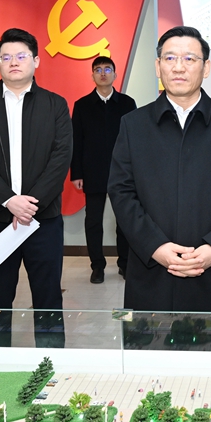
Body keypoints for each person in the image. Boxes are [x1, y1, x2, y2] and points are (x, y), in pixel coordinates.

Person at [108, 25, 211, 312]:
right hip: (151, 267)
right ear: (158, 66)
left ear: (206, 68)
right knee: (150, 338)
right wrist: (155, 247)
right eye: (170, 58)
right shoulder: (133, 125)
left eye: (190, 58)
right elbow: (121, 192)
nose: (179, 67)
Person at [0, 28, 72, 347]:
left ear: (36, 61)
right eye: (6, 57)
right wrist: (9, 201)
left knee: (48, 296)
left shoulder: (55, 105)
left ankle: (51, 362)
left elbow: (61, 157)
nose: (13, 62)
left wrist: (29, 205)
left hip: (43, 219)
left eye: (21, 56)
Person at [70, 55, 136, 284]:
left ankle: (125, 264)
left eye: (107, 69)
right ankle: (97, 266)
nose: (103, 73)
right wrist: (76, 173)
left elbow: (134, 140)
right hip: (92, 171)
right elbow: (76, 141)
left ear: (115, 74)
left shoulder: (127, 104)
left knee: (124, 222)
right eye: (98, 70)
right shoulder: (82, 105)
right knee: (93, 222)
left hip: (123, 173)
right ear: (93, 76)